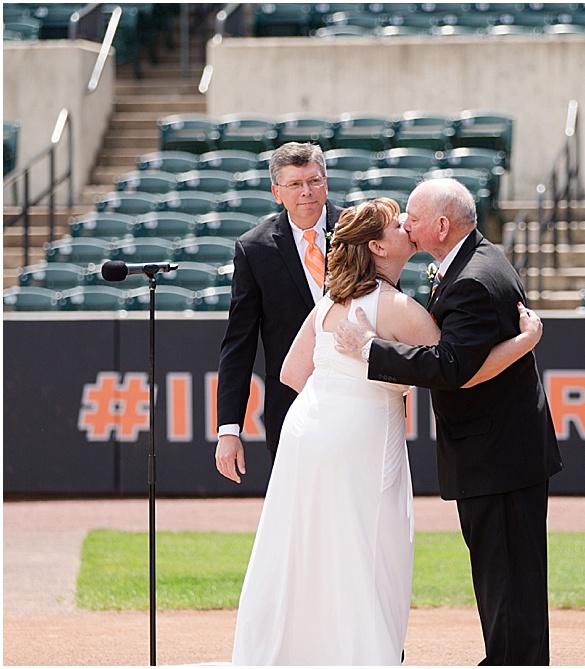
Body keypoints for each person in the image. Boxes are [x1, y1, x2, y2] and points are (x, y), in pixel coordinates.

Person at [231, 197, 544, 665]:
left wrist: (340, 388)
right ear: (377, 247)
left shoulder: (329, 301)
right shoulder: (396, 306)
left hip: (307, 428)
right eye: (397, 223)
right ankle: (366, 652)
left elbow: (292, 374)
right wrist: (525, 342)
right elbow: (457, 372)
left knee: (304, 546)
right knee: (370, 548)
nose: (406, 226)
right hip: (361, 433)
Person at [334, 178, 564, 665]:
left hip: (498, 456)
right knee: (504, 576)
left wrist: (371, 349)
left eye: (413, 217)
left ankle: (512, 662)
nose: (405, 224)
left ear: (441, 225)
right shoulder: (471, 262)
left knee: (508, 578)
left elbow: (450, 367)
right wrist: (523, 344)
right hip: (499, 452)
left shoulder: (473, 278)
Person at [215, 142, 342, 483]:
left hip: (358, 397)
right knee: (297, 507)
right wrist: (229, 429)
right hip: (290, 405)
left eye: (314, 181)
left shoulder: (359, 232)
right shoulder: (254, 249)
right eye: (295, 184)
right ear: (277, 193)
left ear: (326, 182)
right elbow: (238, 344)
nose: (306, 192)